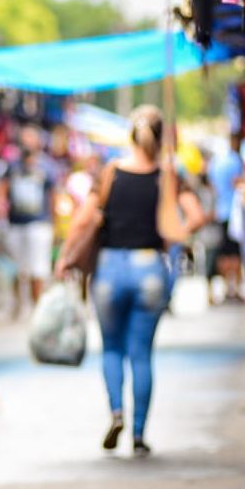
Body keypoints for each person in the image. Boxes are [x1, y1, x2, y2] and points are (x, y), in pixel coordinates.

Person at [57, 105, 204, 456]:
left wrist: (64, 257)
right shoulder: (168, 175)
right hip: (150, 268)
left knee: (111, 349)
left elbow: (82, 220)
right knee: (141, 355)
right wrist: (175, 232)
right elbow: (196, 215)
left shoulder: (110, 173)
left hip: (108, 269)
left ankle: (116, 413)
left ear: (131, 135)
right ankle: (138, 435)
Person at [0, 125, 56, 314]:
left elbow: (53, 196)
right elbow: (3, 189)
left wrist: (54, 224)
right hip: (16, 223)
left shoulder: (47, 166)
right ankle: (18, 302)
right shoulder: (12, 165)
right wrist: (1, 217)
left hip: (39, 223)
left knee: (38, 268)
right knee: (17, 268)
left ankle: (37, 305)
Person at [207, 135, 245, 302]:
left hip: (220, 211)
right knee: (235, 253)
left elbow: (213, 186)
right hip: (234, 213)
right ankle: (234, 288)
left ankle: (225, 288)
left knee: (223, 253)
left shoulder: (214, 163)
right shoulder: (235, 160)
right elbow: (238, 182)